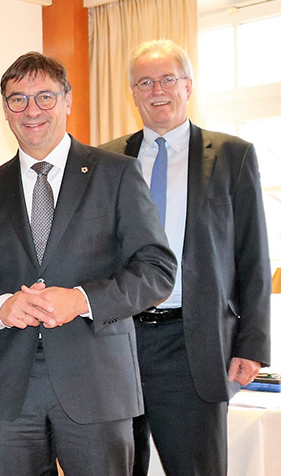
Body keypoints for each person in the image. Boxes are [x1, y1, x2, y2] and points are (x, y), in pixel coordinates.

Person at [0, 52, 177, 476]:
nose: (31, 110)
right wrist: (2, 307)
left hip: (96, 382)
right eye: (17, 99)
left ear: (67, 100)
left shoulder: (117, 173)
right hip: (10, 388)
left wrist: (80, 299)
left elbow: (156, 269)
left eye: (44, 96)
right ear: (5, 109)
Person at [100, 39, 271, 476]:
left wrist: (252, 346)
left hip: (192, 343)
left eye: (167, 79)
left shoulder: (233, 155)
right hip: (118, 341)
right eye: (145, 82)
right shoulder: (105, 159)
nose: (157, 90)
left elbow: (253, 255)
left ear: (188, 86)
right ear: (132, 92)